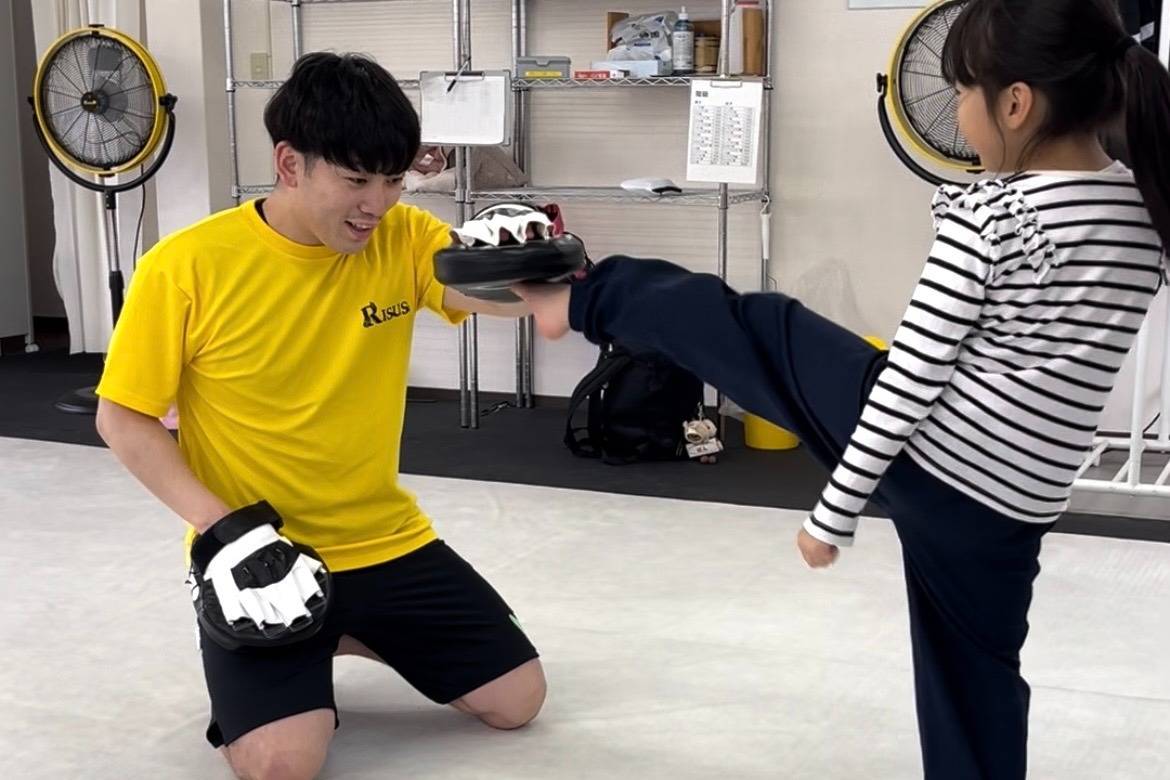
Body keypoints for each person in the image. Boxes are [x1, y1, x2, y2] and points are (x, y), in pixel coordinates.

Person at [518, 1, 1169, 777]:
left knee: (759, 328)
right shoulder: (1145, 207)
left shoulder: (996, 216)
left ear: (1017, 104)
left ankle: (582, 299)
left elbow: (913, 374)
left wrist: (835, 511)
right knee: (978, 676)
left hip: (939, 459)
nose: (958, 112)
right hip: (1018, 500)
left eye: (963, 91)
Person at [94, 52, 544, 780]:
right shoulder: (186, 266)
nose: (378, 204)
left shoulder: (404, 239)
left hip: (387, 540)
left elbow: (494, 298)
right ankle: (284, 658)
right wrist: (223, 530)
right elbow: (123, 419)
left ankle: (347, 632)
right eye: (357, 181)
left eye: (393, 180)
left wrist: (543, 267)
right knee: (284, 767)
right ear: (290, 164)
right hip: (263, 553)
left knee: (518, 701)